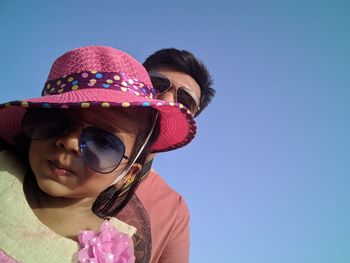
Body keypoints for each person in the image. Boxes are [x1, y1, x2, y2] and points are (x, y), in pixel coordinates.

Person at [0, 46, 196, 263]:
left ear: (129, 174)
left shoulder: (115, 249)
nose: (69, 142)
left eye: (103, 142)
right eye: (157, 85)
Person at [117, 48, 215, 263]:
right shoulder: (58, 144)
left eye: (185, 101)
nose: (168, 99)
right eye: (157, 84)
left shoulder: (173, 210)